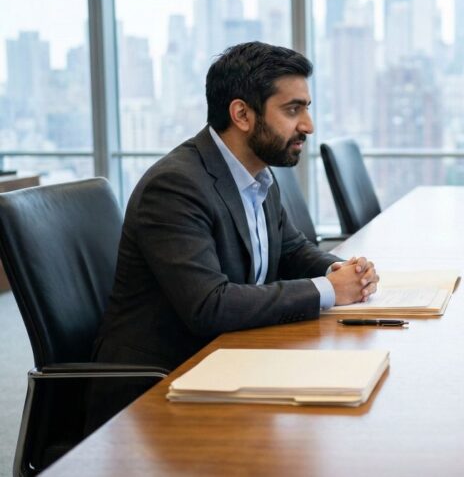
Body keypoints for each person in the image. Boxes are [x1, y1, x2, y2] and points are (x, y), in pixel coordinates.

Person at [89, 42, 377, 424]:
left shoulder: (258, 174)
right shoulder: (175, 186)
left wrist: (344, 270)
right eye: (293, 109)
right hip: (156, 393)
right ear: (241, 114)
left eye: (306, 108)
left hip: (225, 364)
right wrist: (328, 291)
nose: (308, 125)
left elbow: (291, 250)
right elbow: (210, 306)